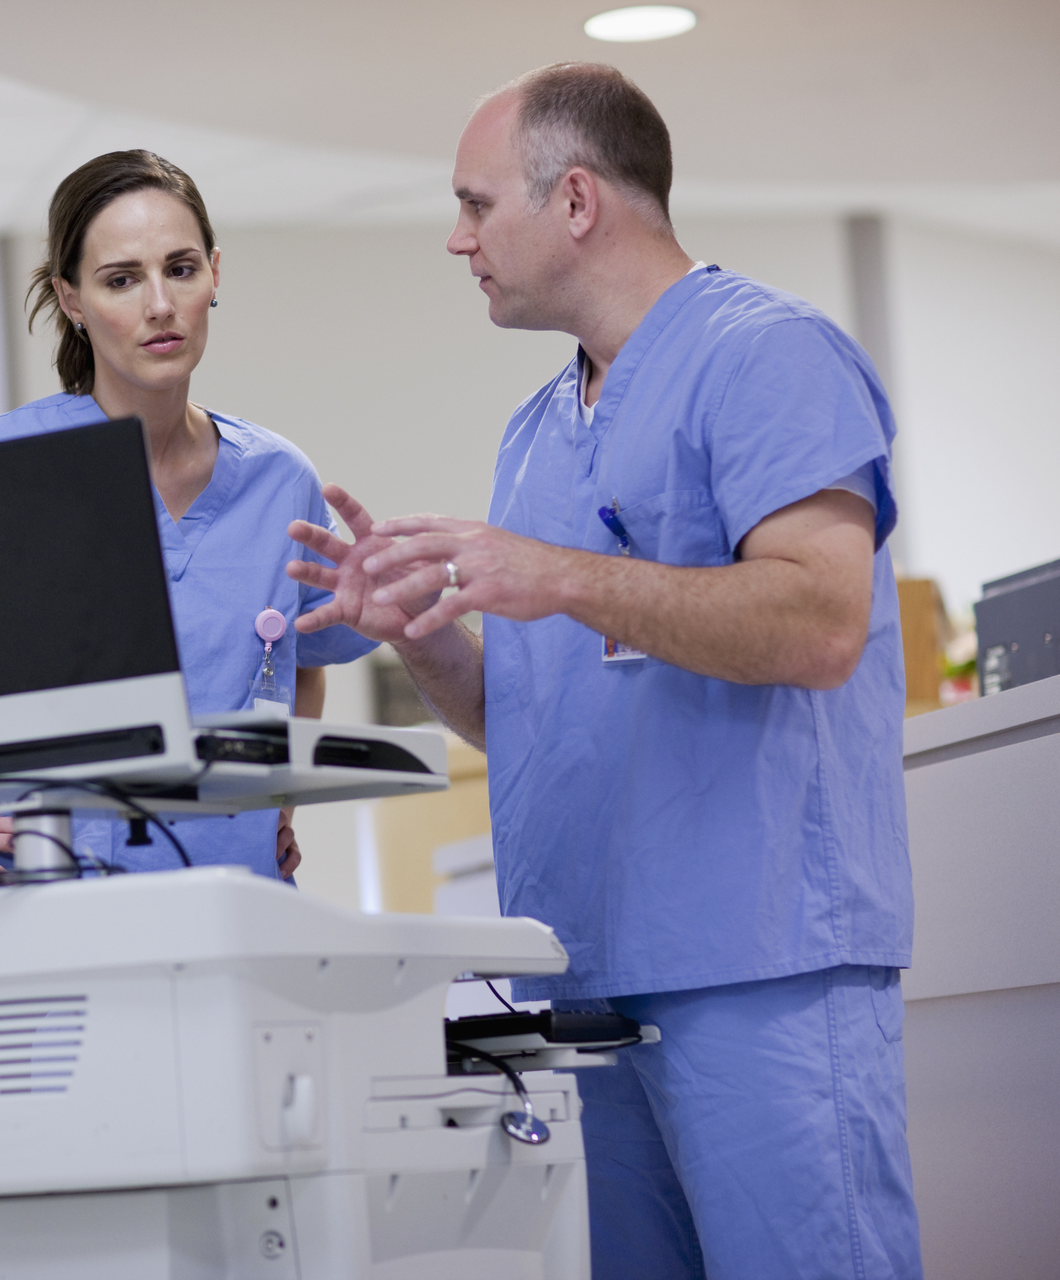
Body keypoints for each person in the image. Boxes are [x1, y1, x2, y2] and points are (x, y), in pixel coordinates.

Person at [289, 63, 919, 1278]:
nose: (456, 239)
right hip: (585, 985)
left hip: (760, 968)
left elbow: (822, 621)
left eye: (477, 205)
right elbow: (517, 716)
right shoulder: (535, 434)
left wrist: (564, 574)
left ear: (575, 199)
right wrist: (416, 629)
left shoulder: (769, 358)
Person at [0, 149, 377, 881]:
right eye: (121, 280)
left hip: (240, 902)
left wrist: (280, 800)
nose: (159, 304)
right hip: (52, 907)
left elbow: (298, 658)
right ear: (71, 300)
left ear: (215, 274)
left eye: (181, 269)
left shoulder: (278, 479)